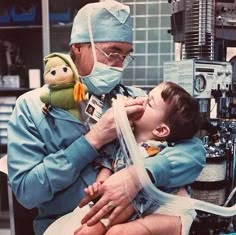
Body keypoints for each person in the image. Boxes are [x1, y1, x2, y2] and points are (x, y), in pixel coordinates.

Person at [7, 1, 206, 235]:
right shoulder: (33, 108)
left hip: (133, 221)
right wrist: (93, 140)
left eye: (125, 55)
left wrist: (136, 177)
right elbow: (27, 192)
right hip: (68, 225)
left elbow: (193, 151)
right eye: (112, 53)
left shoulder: (135, 100)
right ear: (78, 48)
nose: (119, 65)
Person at [73, 81, 204, 235]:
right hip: (137, 211)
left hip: (164, 211)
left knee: (118, 233)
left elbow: (135, 195)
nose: (141, 100)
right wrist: (101, 183)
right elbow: (109, 160)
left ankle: (175, 228)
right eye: (146, 96)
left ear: (160, 130)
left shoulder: (152, 152)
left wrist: (100, 225)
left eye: (149, 102)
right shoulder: (124, 138)